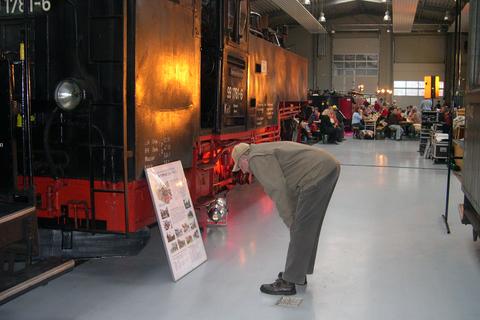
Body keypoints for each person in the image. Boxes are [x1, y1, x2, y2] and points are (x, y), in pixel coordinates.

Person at [231, 142, 341, 295]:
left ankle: (289, 282)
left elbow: (278, 190)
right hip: (325, 168)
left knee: (300, 228)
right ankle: (298, 273)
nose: (243, 170)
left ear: (243, 158)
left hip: (317, 174)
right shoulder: (262, 150)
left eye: (239, 166)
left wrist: (290, 220)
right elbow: (289, 186)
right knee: (306, 227)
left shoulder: (255, 158)